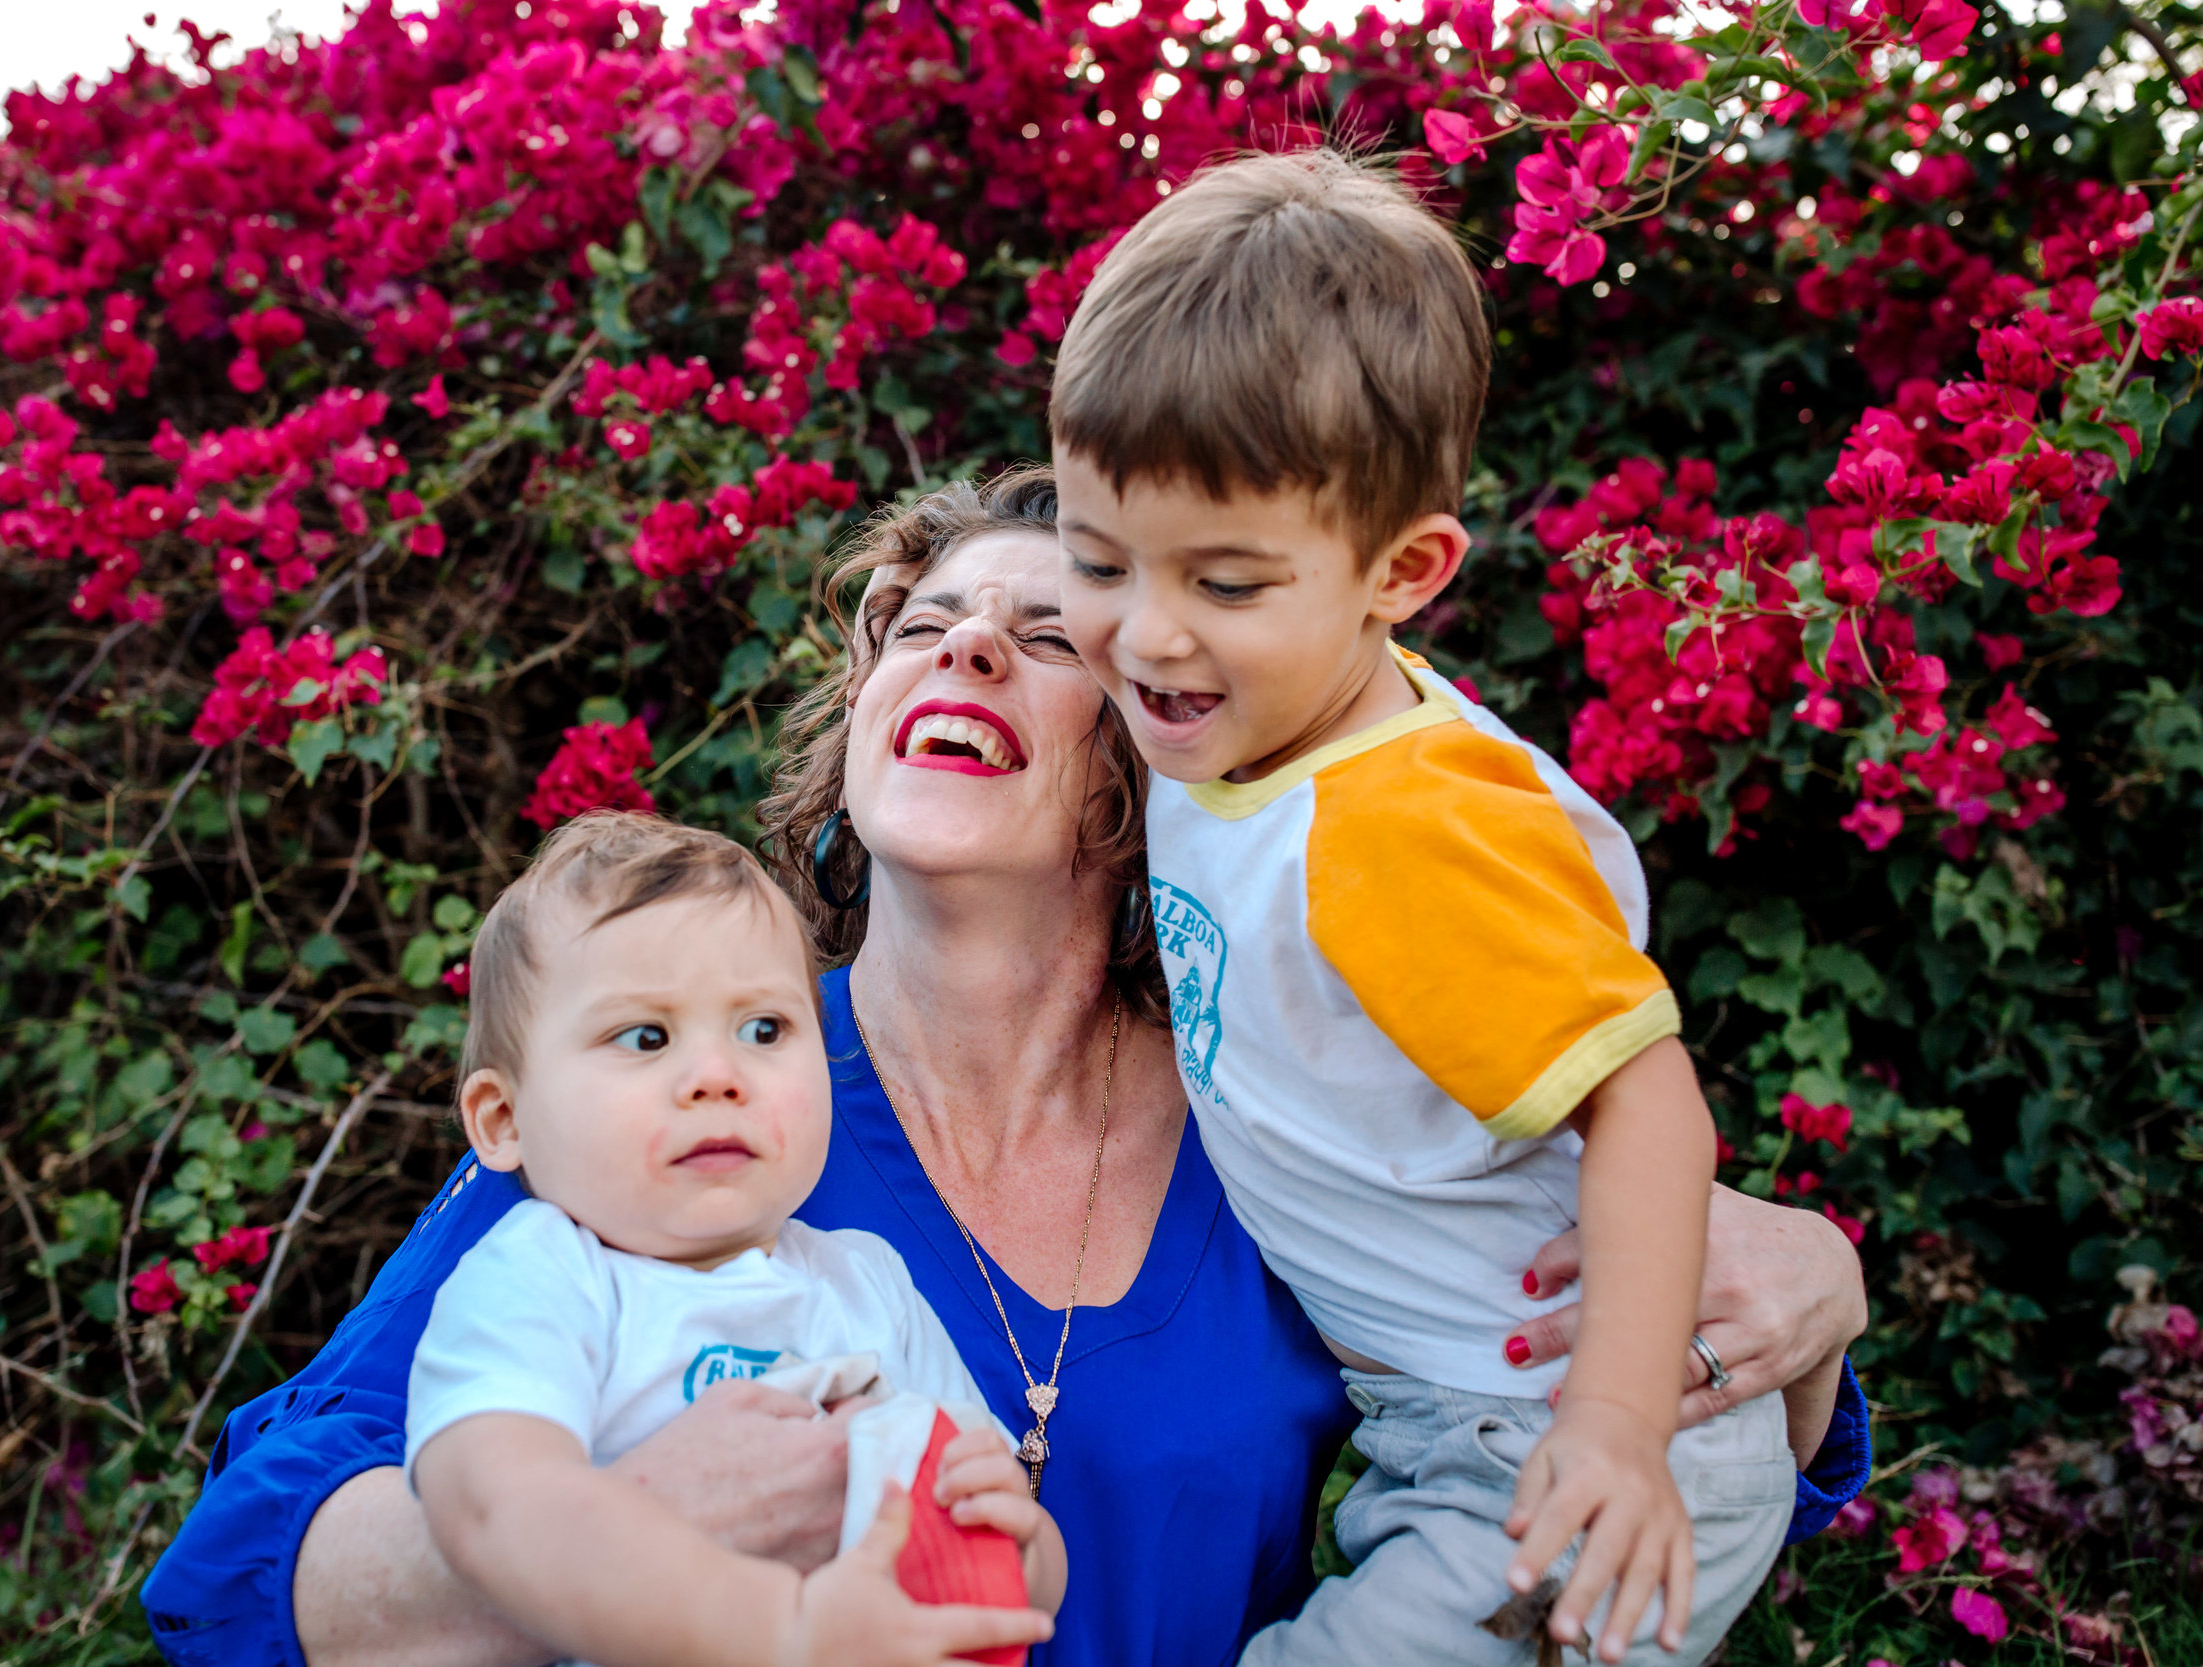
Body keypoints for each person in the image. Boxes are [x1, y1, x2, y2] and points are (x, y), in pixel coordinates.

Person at [141, 472, 1875, 1667]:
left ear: (1164, 753)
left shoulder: (1285, 1118)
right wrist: (592, 1534)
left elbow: (1583, 1450)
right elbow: (230, 1580)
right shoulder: (677, 1101)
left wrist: (1805, 1314)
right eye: (926, 624)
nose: (964, 647)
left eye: (1049, 639)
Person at [1051, 150, 1817, 1667]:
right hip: (1450, 1421)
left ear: (1401, 571)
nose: (1145, 630)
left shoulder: (1399, 819)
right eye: (1096, 557)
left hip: (1563, 1444)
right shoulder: (1258, 733)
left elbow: (1652, 1107)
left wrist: (1611, 1428)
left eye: (1227, 580)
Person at [405, 811, 1062, 1667]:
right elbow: (498, 1510)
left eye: (764, 1029)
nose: (718, 1076)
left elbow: (989, 1536)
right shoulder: (543, 1278)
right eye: (645, 1036)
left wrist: (1023, 1545)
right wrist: (779, 1628)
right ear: (503, 1120)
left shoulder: (866, 1282)